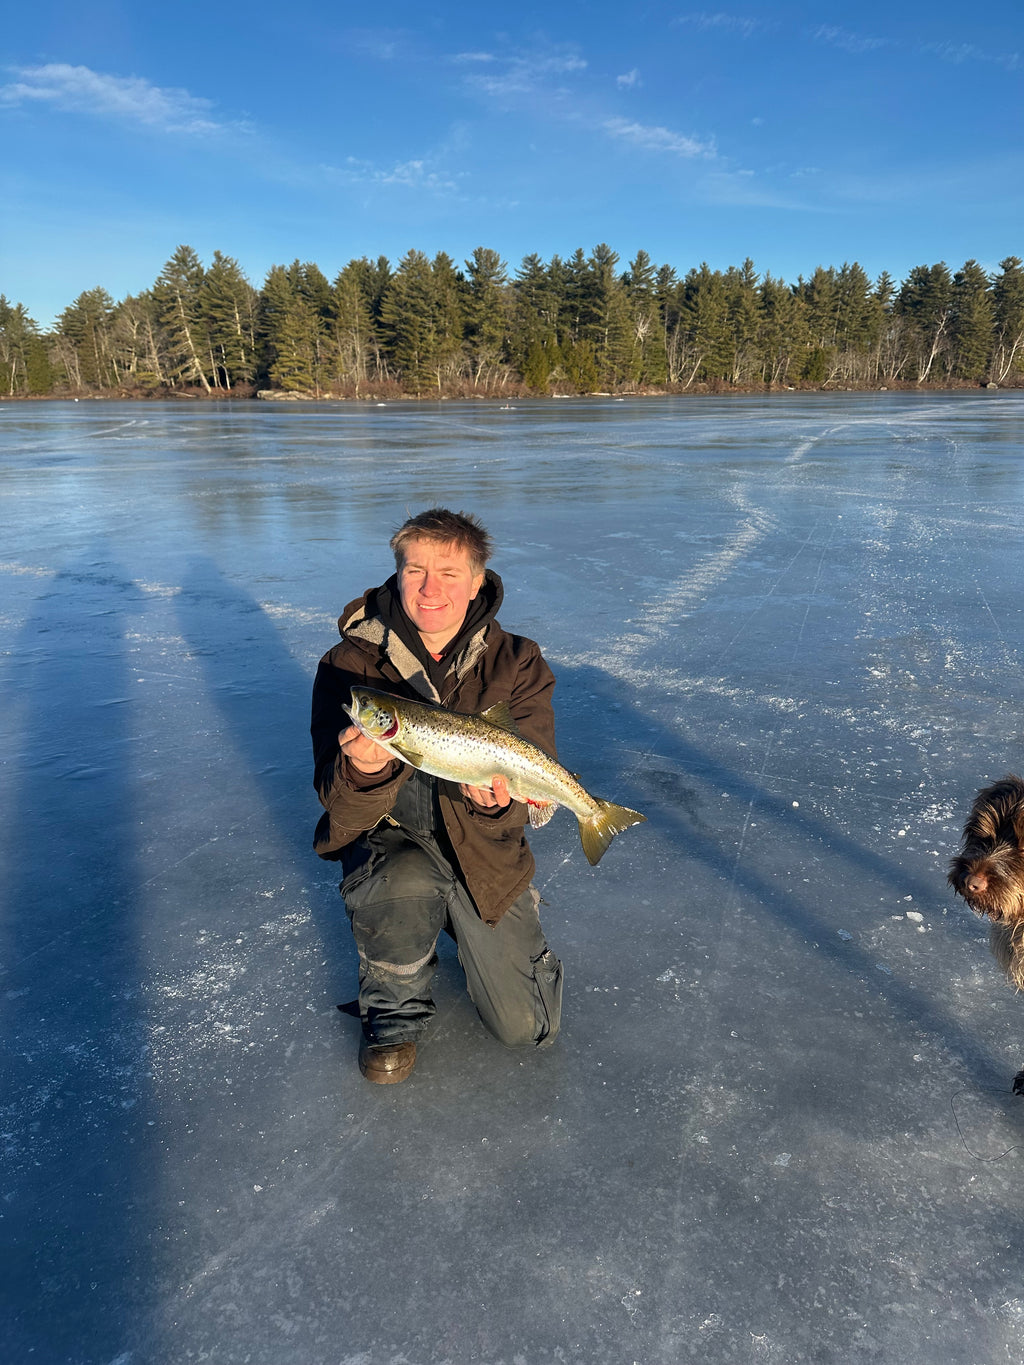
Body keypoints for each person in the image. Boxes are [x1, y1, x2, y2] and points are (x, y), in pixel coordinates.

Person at [311, 508, 563, 1084]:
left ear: (478, 582)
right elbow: (338, 807)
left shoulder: (518, 662)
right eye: (415, 570)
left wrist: (497, 802)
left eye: (449, 573)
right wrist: (363, 771)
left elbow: (529, 782)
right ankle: (392, 1015)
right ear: (396, 575)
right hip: (392, 845)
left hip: (484, 848)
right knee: (399, 881)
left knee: (526, 1029)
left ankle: (482, 932)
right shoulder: (349, 666)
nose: (431, 588)